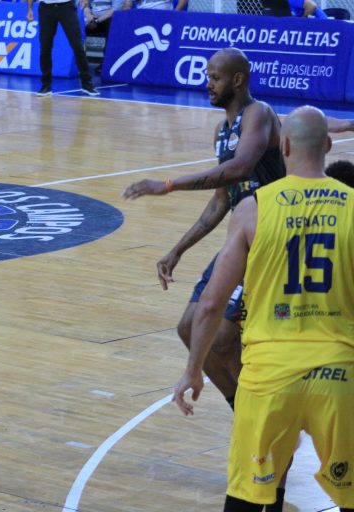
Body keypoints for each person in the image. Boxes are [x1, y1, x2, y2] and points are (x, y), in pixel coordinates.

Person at [122, 47, 354, 511]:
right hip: (249, 230)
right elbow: (222, 199)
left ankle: (267, 425)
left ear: (238, 80)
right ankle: (244, 409)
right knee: (190, 328)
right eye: (207, 75)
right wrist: (178, 248)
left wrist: (166, 185)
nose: (207, 83)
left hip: (274, 236)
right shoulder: (222, 130)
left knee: (223, 333)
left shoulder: (259, 114)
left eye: (214, 76)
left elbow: (240, 168)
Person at [172, 106, 354, 512]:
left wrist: (193, 369)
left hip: (269, 378)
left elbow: (211, 303)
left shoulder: (253, 209)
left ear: (283, 146)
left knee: (248, 500)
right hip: (339, 376)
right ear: (328, 145)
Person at [26, 0, 100, 97]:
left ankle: (87, 84)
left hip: (66, 6)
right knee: (45, 47)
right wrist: (30, 9)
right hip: (46, 8)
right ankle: (45, 86)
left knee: (77, 46)